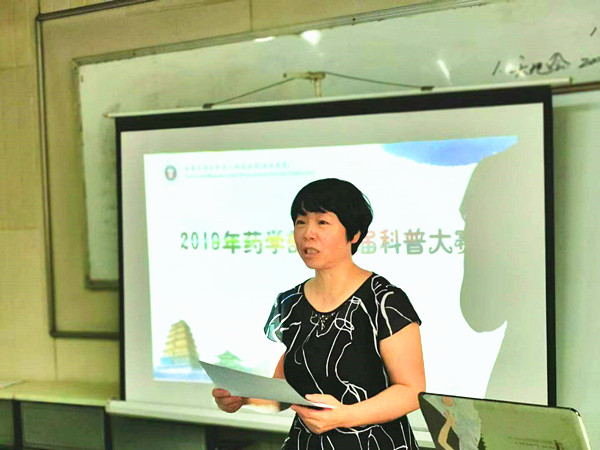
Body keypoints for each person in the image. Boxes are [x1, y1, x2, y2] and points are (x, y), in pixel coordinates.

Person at [213, 178, 425, 449]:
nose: (308, 233)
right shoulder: (290, 303)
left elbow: (411, 391)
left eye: (322, 222)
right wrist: (243, 398)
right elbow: (286, 391)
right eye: (301, 222)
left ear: (354, 234)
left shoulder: (384, 299)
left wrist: (345, 416)